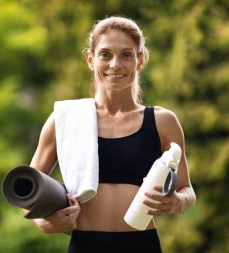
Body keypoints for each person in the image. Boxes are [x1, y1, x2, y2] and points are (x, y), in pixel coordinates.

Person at [28, 16, 196, 252]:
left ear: (140, 60)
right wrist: (42, 222)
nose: (115, 64)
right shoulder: (64, 119)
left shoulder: (163, 121)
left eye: (126, 55)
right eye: (105, 54)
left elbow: (187, 190)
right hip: (85, 244)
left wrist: (176, 202)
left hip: (142, 244)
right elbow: (26, 188)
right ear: (90, 59)